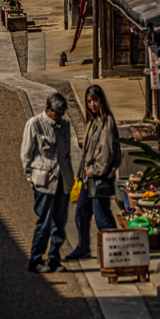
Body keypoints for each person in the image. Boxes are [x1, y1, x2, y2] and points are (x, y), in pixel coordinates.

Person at [20, 91, 73, 274]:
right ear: (47, 110)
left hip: (62, 180)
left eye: (62, 114)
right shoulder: (34, 124)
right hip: (44, 181)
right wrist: (31, 179)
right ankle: (35, 259)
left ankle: (54, 258)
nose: (59, 117)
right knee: (44, 222)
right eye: (56, 114)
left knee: (60, 222)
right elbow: (26, 155)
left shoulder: (65, 124)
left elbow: (67, 154)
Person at [66, 85, 120, 261]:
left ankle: (115, 251)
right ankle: (84, 248)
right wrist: (81, 174)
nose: (92, 104)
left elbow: (107, 152)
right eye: (89, 101)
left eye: (95, 100)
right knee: (81, 213)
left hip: (99, 178)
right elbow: (86, 152)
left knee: (101, 216)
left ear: (101, 100)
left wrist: (94, 170)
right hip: (88, 178)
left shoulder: (107, 122)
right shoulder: (92, 121)